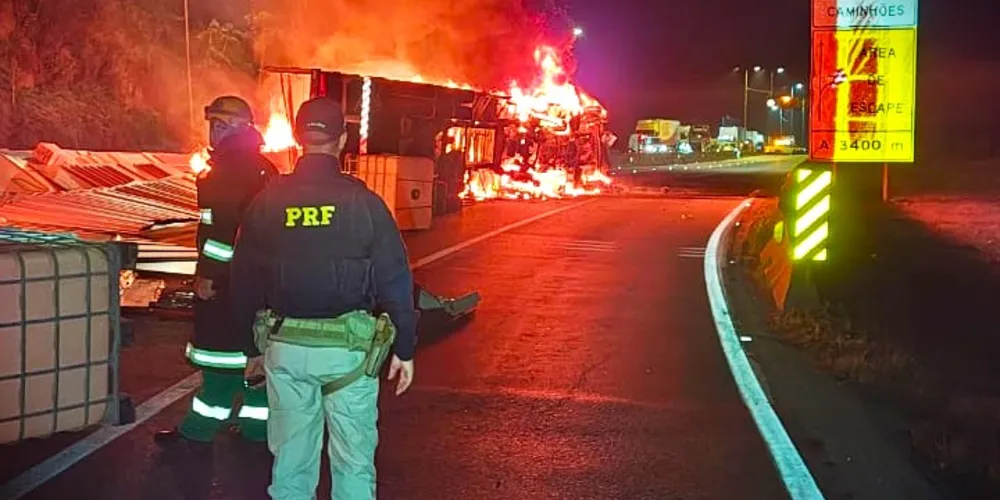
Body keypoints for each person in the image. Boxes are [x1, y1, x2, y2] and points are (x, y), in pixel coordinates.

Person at [230, 96, 417, 500]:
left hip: (286, 348)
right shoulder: (365, 203)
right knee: (353, 461)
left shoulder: (267, 201)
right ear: (343, 139)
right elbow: (395, 277)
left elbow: (242, 278)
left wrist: (250, 349)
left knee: (292, 463)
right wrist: (404, 347)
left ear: (298, 138)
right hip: (348, 352)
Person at [156, 96, 279, 446]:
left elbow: (221, 231)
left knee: (219, 356)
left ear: (230, 127)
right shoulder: (263, 167)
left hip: (229, 283)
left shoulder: (227, 169)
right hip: (260, 281)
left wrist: (210, 274)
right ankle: (257, 428)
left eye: (216, 124)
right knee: (254, 355)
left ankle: (200, 427)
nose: (212, 131)